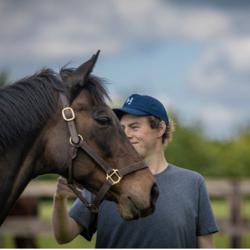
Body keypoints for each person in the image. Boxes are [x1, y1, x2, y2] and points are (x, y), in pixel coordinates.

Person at [52, 94, 218, 248]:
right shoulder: (107, 178)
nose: (126, 134)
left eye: (134, 127)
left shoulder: (193, 183)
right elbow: (63, 235)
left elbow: (206, 245)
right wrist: (60, 199)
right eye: (122, 128)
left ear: (160, 128)